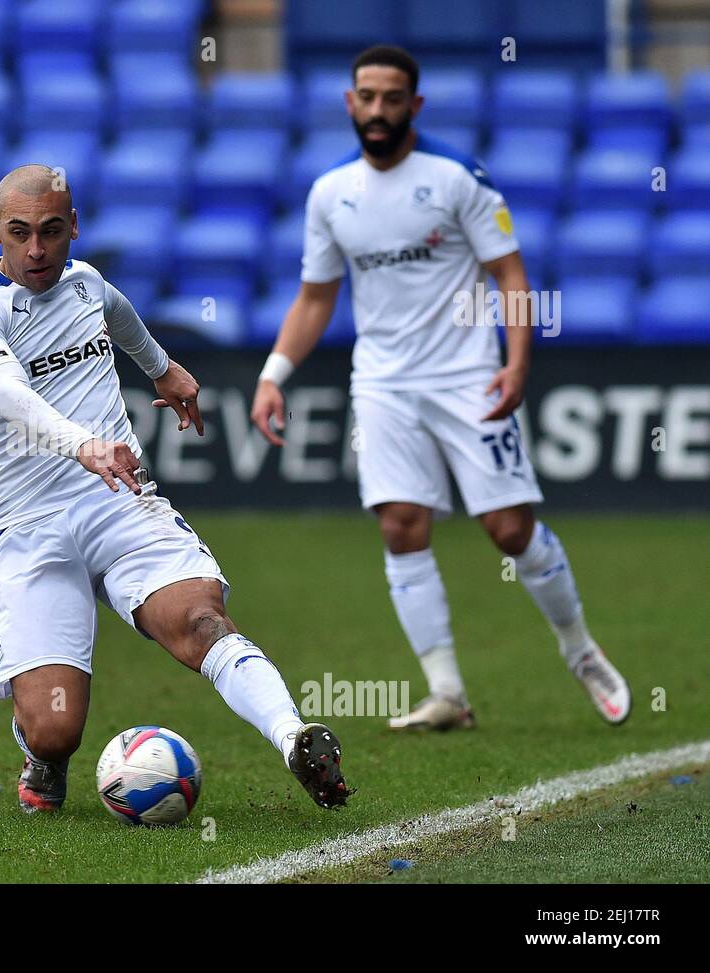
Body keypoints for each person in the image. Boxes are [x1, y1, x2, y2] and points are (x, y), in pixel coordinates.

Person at [0, 165, 349, 813]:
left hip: (119, 504)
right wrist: (81, 442)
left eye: (52, 231)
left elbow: (118, 313)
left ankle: (295, 737)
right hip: (31, 529)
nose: (37, 250)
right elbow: (6, 393)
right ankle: (40, 757)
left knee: (201, 620)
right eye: (19, 234)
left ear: (74, 226)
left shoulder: (85, 284)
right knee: (56, 728)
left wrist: (164, 369)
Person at [250, 45, 630, 730]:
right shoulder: (331, 194)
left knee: (510, 530)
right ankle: (448, 692)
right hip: (385, 384)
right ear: (349, 102)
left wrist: (516, 364)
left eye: (392, 98)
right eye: (365, 96)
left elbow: (512, 276)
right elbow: (314, 299)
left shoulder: (458, 178)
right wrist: (274, 374)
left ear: (414, 106)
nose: (377, 110)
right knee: (400, 524)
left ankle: (579, 649)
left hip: (468, 377)